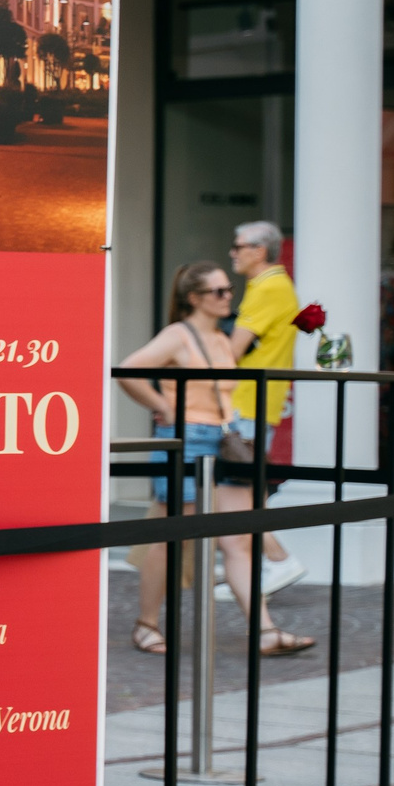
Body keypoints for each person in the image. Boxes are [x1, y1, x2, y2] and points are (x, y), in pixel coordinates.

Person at [119, 262, 312, 657]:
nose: (228, 297)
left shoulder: (223, 339)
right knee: (171, 536)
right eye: (219, 292)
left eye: (229, 290)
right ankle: (146, 624)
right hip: (188, 439)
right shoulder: (178, 336)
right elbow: (128, 370)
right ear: (195, 298)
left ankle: (265, 631)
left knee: (238, 539)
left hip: (226, 440)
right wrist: (162, 405)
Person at [225, 222, 306, 593]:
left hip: (247, 401)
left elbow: (233, 351)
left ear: (259, 250)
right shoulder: (272, 286)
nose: (233, 252)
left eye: (239, 246)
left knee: (238, 490)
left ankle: (278, 560)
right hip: (256, 400)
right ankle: (255, 566)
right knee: (242, 488)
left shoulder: (269, 287)